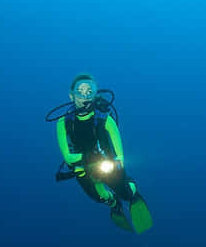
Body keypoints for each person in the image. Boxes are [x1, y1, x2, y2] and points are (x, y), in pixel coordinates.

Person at [54, 74, 152, 233]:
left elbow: (119, 153)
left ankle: (133, 194)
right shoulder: (63, 122)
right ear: (71, 95)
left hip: (107, 164)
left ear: (95, 94)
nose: (85, 95)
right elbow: (67, 157)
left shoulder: (104, 118)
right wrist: (88, 159)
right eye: (80, 91)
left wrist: (117, 162)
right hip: (83, 168)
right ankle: (114, 205)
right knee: (99, 197)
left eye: (89, 91)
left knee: (125, 192)